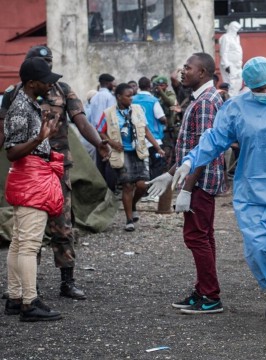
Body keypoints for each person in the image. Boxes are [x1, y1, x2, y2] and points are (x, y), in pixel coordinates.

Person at [160, 56, 266, 328]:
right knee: (259, 248)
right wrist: (190, 160)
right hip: (252, 190)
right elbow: (214, 138)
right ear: (248, 86)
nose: (263, 93)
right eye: (257, 89)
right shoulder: (236, 108)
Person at [1, 46, 111, 300]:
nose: (47, 66)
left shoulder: (63, 89)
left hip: (58, 167)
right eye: (41, 62)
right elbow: (2, 129)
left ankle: (67, 281)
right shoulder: (15, 94)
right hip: (28, 168)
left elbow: (81, 120)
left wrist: (98, 143)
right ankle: (29, 287)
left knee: (63, 225)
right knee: (29, 228)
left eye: (49, 61)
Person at [148, 53, 227, 315]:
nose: (183, 72)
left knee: (196, 236)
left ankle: (211, 296)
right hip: (196, 178)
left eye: (188, 68)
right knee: (204, 236)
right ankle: (204, 289)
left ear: (202, 72)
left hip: (200, 181)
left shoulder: (206, 102)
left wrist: (186, 189)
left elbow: (204, 150)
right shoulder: (200, 99)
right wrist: (170, 174)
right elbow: (189, 149)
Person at [4, 57, 63, 321]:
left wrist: (43, 137)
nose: (50, 84)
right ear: (31, 83)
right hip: (31, 180)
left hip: (28, 179)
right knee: (28, 244)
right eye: (45, 80)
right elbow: (12, 152)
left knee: (18, 242)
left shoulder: (27, 103)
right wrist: (40, 139)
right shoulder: (20, 108)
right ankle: (29, 302)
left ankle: (15, 297)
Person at [97, 83, 164, 231]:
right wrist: (112, 142)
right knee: (127, 185)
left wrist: (158, 147)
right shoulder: (108, 113)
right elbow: (100, 131)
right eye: (128, 96)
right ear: (119, 97)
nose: (131, 98)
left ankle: (133, 204)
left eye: (132, 95)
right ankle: (129, 220)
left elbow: (146, 129)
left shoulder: (138, 110)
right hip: (122, 153)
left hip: (138, 150)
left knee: (142, 185)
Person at [133, 77, 167, 192]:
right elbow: (161, 117)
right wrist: (166, 122)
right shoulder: (153, 100)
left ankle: (142, 192)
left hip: (137, 139)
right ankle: (153, 191)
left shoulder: (132, 100)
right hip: (154, 138)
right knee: (157, 166)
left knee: (142, 167)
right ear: (150, 86)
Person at [219, 21, 243, 97]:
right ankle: (229, 99)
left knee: (238, 82)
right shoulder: (226, 37)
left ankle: (235, 98)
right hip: (230, 65)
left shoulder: (236, 38)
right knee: (231, 84)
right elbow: (223, 52)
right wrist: (226, 65)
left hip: (237, 65)